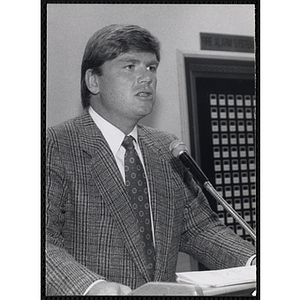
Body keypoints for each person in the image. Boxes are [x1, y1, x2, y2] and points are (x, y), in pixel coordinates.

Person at [46, 24, 256, 296]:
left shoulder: (164, 147)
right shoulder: (55, 145)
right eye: (130, 66)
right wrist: (91, 287)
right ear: (93, 81)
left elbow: (199, 228)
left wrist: (252, 261)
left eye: (151, 68)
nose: (146, 78)